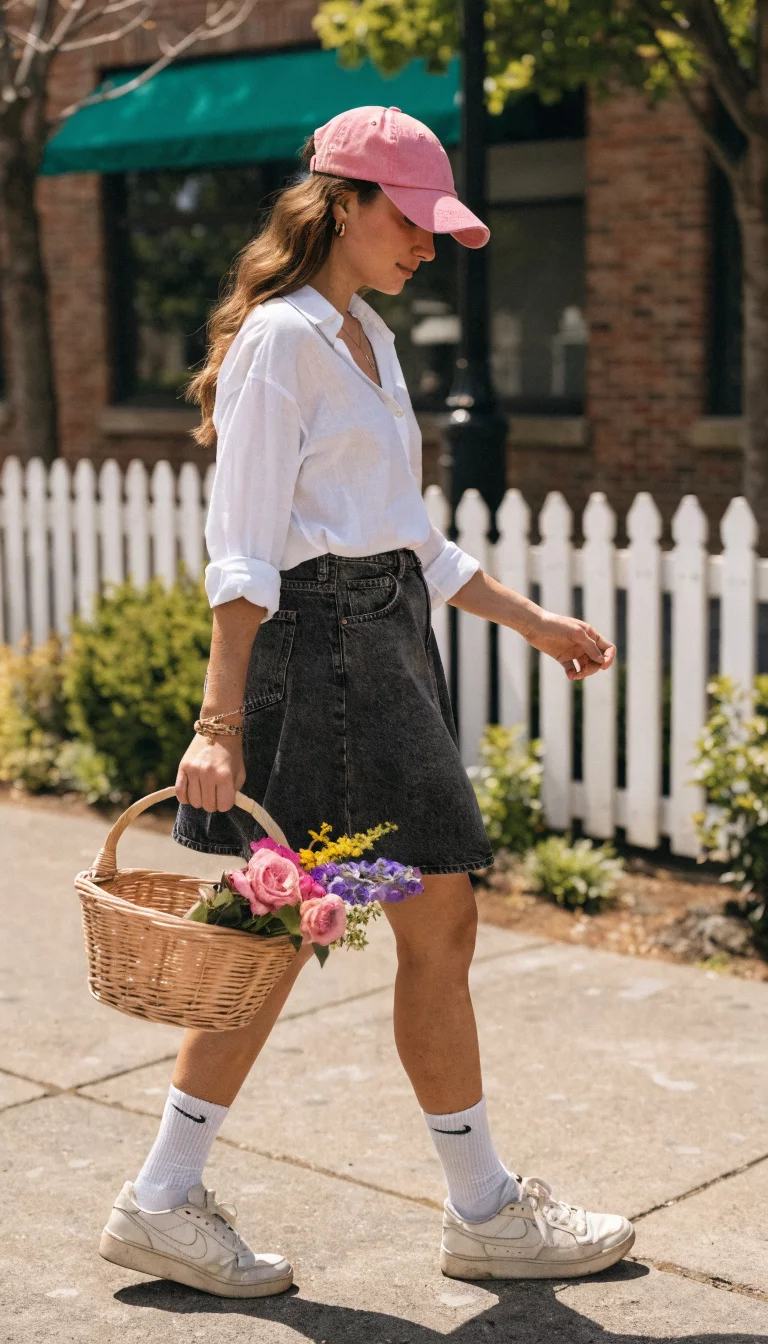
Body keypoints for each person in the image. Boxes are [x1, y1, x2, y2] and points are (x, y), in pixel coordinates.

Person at [100, 105, 632, 1299]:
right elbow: (242, 555)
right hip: (320, 655)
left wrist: (531, 620)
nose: (426, 247)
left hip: (388, 646)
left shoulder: (367, 339)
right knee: (280, 930)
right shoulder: (282, 341)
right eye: (410, 220)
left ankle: (466, 1207)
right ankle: (172, 1198)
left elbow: (412, 541)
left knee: (403, 927)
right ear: (342, 202)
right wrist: (218, 724)